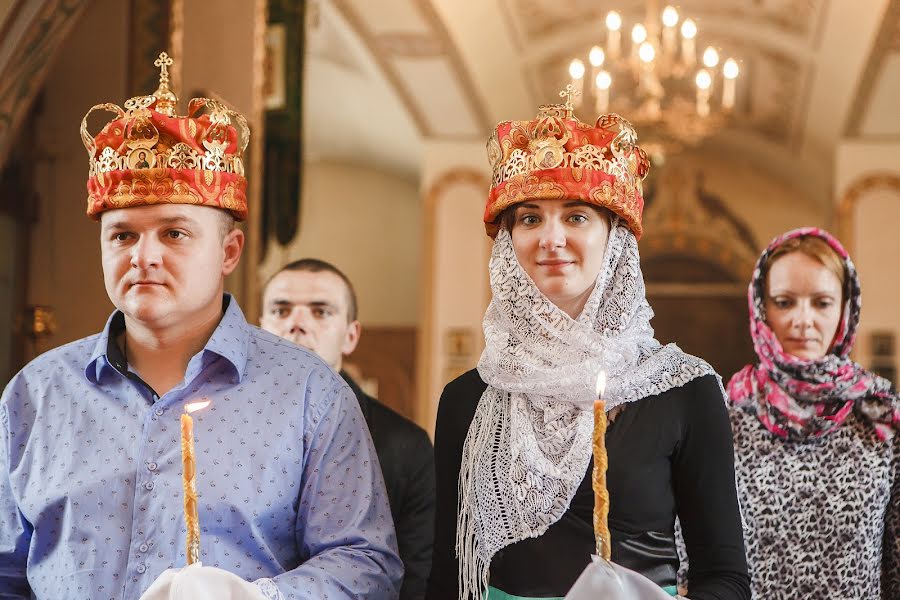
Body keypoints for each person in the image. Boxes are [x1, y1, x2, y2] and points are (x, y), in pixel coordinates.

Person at [0, 55, 401, 599]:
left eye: (174, 234)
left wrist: (255, 598)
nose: (143, 256)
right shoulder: (36, 393)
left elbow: (366, 564)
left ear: (229, 250)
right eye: (122, 236)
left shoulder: (309, 394)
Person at [425, 105, 749, 599]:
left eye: (576, 216)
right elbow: (448, 581)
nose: (551, 239)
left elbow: (723, 577)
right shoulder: (467, 399)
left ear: (613, 238)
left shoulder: (686, 391)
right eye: (530, 218)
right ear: (510, 241)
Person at [727, 227, 900, 599]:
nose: (802, 321)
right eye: (785, 302)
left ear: (844, 309)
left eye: (821, 302)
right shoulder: (727, 415)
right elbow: (693, 553)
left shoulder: (881, 416)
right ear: (761, 308)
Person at [260, 258, 435, 599]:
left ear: (350, 335)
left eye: (320, 311)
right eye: (281, 311)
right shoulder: (223, 424)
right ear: (259, 327)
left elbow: (416, 577)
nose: (297, 324)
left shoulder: (406, 445)